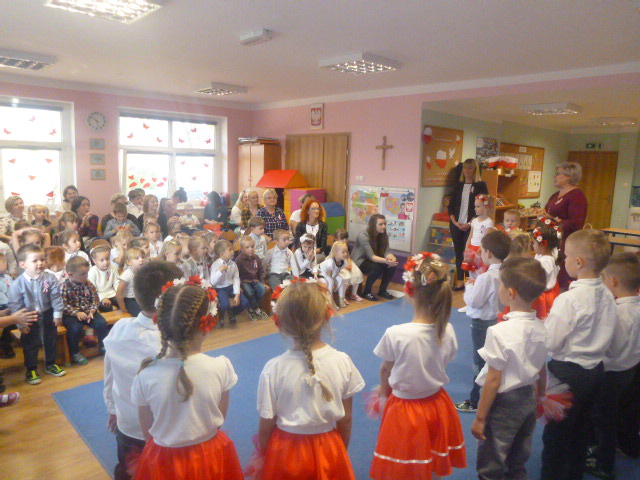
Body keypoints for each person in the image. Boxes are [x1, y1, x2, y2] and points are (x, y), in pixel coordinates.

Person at [131, 280, 243, 480]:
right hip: (210, 455)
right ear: (207, 324)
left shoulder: (145, 375)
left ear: (161, 325)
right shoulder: (221, 366)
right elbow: (219, 419)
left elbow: (147, 431)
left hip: (164, 460)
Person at [253, 281, 365, 479]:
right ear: (326, 316)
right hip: (327, 448)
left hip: (285, 452)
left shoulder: (273, 369)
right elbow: (346, 419)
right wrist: (340, 451)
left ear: (281, 322)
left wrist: (264, 456)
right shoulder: (342, 361)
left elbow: (266, 426)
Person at [370, 253, 466, 479]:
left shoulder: (397, 333)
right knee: (430, 451)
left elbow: (386, 369)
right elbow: (447, 358)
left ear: (409, 290)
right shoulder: (447, 330)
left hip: (405, 408)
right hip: (437, 402)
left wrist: (383, 392)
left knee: (404, 454)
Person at [541, 229, 616, 480]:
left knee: (557, 433)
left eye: (566, 256)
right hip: (596, 371)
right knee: (582, 429)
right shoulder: (607, 293)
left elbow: (552, 342)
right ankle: (574, 473)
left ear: (579, 262)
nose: (564, 261)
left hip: (567, 373)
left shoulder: (568, 300)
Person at [103, 261, 184, 480]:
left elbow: (109, 375)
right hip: (162, 430)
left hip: (127, 423)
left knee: (129, 471)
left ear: (137, 298)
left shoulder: (119, 328)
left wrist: (112, 408)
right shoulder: (170, 346)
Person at [471, 257, 548, 480]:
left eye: (501, 285)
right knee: (519, 454)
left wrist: (481, 417)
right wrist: (540, 397)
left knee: (493, 456)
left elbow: (493, 380)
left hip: (503, 403)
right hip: (528, 398)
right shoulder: (541, 327)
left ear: (511, 293)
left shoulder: (499, 332)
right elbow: (541, 369)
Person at [586, 252, 640, 479]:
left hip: (611, 373)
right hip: (629, 370)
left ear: (613, 281)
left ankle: (603, 464)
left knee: (603, 418)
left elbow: (610, 348)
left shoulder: (618, 313)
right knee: (614, 412)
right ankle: (610, 448)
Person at [456, 230, 511, 413]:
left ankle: (475, 401)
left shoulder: (486, 277)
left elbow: (473, 301)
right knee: (487, 358)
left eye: (482, 250)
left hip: (481, 322)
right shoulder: (504, 273)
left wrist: (468, 287)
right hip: (494, 319)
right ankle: (487, 395)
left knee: (479, 362)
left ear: (489, 253)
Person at [8, 244, 66, 385]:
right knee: (30, 343)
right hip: (28, 317)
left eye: (42, 259)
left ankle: (50, 364)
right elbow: (15, 305)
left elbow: (56, 297)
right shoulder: (17, 284)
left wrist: (57, 314)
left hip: (48, 314)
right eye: (35, 261)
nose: (40, 263)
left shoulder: (49, 278)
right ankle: (31, 369)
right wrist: (21, 324)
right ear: (23, 264)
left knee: (50, 340)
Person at [544, 161, 588, 290]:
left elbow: (576, 223)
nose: (555, 176)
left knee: (562, 278)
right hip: (552, 240)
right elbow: (548, 213)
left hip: (566, 242)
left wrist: (553, 220)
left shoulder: (577, 196)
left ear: (568, 176)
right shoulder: (556, 195)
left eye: (558, 174)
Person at [448, 158, 489, 290]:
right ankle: (461, 280)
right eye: (465, 167)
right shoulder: (458, 185)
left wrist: (470, 223)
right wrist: (455, 222)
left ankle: (471, 280)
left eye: (470, 168)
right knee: (458, 253)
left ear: (475, 170)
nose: (467, 170)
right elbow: (451, 207)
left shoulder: (481, 185)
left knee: (469, 253)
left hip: (472, 226)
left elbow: (483, 206)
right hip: (456, 225)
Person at [61, 256, 108, 365]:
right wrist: (77, 313)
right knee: (75, 329)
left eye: (87, 273)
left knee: (102, 323)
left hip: (88, 312)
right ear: (70, 274)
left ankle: (104, 346)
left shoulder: (88, 284)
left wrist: (92, 310)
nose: (86, 276)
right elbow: (64, 305)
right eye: (82, 274)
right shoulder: (65, 286)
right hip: (72, 315)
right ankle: (75, 352)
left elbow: (95, 298)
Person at [352, 213, 397, 301]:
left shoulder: (383, 235)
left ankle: (382, 291)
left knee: (391, 266)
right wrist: (386, 261)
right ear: (373, 225)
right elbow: (371, 256)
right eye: (380, 224)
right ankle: (366, 292)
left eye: (385, 224)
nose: (384, 226)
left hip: (373, 259)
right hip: (360, 261)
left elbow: (387, 251)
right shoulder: (363, 235)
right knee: (377, 268)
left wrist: (392, 258)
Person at [210, 240, 249, 326]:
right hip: (220, 288)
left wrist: (237, 294)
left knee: (245, 302)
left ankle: (232, 313)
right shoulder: (215, 265)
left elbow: (236, 279)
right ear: (222, 254)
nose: (233, 252)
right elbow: (213, 282)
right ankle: (222, 315)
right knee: (225, 305)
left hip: (231, 287)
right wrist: (220, 271)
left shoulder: (233, 264)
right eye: (230, 250)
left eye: (232, 249)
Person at [532, 221, 562, 319]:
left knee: (541, 318)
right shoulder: (547, 256)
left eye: (534, 243)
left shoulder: (545, 262)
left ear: (542, 245)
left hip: (543, 295)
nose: (533, 246)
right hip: (547, 293)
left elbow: (536, 280)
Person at [235, 235, 268, 321]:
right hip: (244, 281)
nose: (251, 249)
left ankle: (251, 308)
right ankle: (256, 309)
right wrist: (239, 285)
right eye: (247, 247)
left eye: (252, 246)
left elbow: (261, 270)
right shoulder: (239, 260)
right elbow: (236, 274)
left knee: (262, 289)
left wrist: (262, 281)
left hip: (255, 280)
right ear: (242, 249)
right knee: (250, 292)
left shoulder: (256, 258)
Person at [463, 194, 495, 278]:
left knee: (480, 272)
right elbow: (470, 236)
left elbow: (486, 239)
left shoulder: (488, 222)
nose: (475, 208)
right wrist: (467, 247)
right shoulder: (474, 221)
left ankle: (478, 284)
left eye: (478, 206)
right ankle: (472, 284)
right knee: (471, 271)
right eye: (475, 206)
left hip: (481, 249)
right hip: (472, 248)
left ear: (486, 207)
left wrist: (479, 251)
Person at [115, 247, 147, 317]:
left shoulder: (144, 272)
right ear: (129, 262)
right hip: (129, 299)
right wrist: (122, 307)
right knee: (140, 314)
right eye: (137, 258)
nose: (141, 259)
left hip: (140, 297)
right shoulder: (127, 275)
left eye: (143, 257)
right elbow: (119, 293)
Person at [333, 229, 364, 302]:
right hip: (338, 265)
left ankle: (353, 294)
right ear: (336, 239)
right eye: (342, 239)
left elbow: (348, 256)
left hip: (346, 262)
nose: (344, 240)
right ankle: (342, 297)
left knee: (357, 273)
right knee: (346, 277)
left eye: (345, 238)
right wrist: (346, 266)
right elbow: (335, 260)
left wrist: (349, 263)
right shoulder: (334, 248)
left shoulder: (346, 246)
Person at [88, 245, 120, 312]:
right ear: (95, 261)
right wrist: (102, 298)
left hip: (112, 294)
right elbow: (93, 290)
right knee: (104, 306)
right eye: (102, 260)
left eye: (107, 259)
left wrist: (119, 292)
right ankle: (113, 308)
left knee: (123, 301)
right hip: (99, 296)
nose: (105, 262)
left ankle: (115, 307)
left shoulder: (113, 268)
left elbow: (116, 282)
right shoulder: (92, 272)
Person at [319, 241, 349, 308]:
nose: (346, 254)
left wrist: (338, 281)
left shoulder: (343, 262)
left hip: (332, 274)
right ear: (336, 252)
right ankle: (330, 301)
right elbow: (330, 276)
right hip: (322, 273)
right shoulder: (330, 262)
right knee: (331, 282)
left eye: (346, 252)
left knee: (341, 278)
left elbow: (337, 271)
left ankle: (341, 299)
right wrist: (334, 286)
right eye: (343, 252)